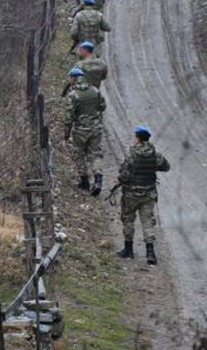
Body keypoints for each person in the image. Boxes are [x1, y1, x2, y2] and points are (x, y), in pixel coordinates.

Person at [116, 126, 170, 265]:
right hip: (148, 194)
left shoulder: (132, 155)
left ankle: (128, 250)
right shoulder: (155, 155)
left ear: (138, 139)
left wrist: (124, 179)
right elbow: (166, 166)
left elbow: (123, 175)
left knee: (128, 219)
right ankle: (150, 252)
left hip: (131, 194)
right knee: (147, 222)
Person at [64, 67, 106, 196]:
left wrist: (66, 133)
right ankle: (98, 180)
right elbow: (102, 106)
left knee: (79, 154)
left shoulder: (73, 94)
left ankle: (85, 181)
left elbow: (69, 116)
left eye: (70, 78)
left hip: (80, 130)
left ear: (74, 78)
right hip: (96, 128)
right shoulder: (95, 90)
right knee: (95, 154)